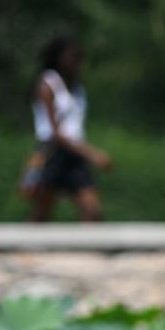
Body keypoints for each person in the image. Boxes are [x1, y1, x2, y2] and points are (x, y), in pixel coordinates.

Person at [29, 36, 112, 222]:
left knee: (92, 210)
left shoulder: (76, 86)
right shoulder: (48, 84)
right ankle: (19, 247)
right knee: (42, 211)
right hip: (53, 152)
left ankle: (93, 249)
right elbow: (55, 132)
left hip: (74, 153)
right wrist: (92, 153)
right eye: (73, 56)